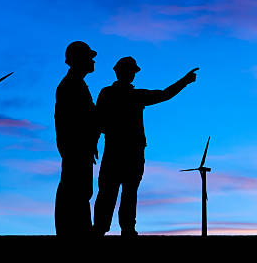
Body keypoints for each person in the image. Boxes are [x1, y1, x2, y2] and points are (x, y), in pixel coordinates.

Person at [92, 57, 198, 236]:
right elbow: (97, 120)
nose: (131, 75)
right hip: (120, 150)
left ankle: (120, 228)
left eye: (132, 71)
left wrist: (184, 82)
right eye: (129, 71)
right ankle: (107, 229)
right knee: (113, 192)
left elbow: (164, 94)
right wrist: (185, 81)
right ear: (119, 72)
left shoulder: (126, 95)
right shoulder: (118, 94)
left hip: (126, 150)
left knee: (124, 192)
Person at [54, 41, 100, 236]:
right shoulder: (71, 85)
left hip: (80, 147)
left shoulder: (77, 84)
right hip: (76, 148)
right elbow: (72, 121)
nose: (93, 61)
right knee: (75, 191)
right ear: (78, 60)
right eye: (89, 57)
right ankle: (74, 232)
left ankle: (78, 230)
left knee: (78, 190)